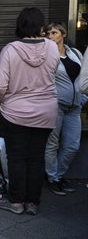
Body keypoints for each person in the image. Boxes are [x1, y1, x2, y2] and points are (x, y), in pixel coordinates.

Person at [0, 7, 58, 216]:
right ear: (41, 26)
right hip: (46, 112)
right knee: (37, 157)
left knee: (17, 157)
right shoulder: (52, 48)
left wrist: (2, 103)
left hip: (16, 112)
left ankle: (16, 202)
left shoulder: (10, 50)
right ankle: (33, 203)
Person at [43, 23, 83, 195]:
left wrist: (83, 99)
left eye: (54, 32)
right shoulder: (46, 56)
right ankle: (53, 179)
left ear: (63, 35)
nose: (50, 36)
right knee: (52, 144)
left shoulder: (75, 53)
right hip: (56, 106)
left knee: (72, 145)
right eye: (47, 33)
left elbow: (83, 77)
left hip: (75, 107)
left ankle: (57, 176)